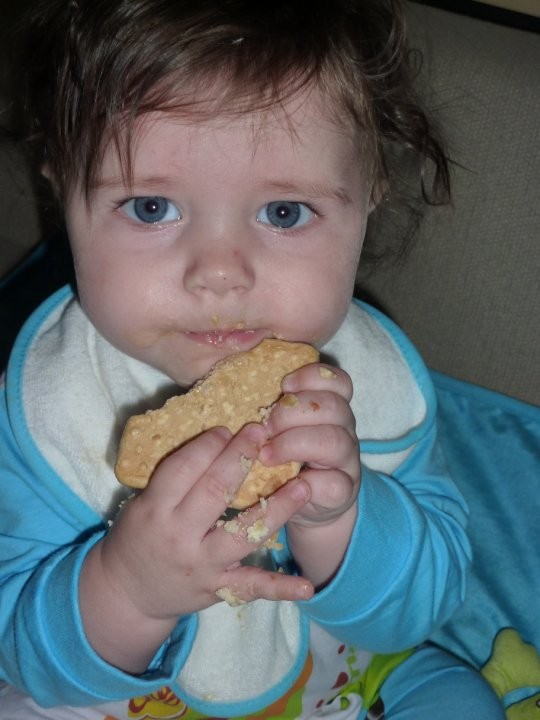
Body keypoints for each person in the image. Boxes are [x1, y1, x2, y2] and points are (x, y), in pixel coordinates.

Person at [0, 1, 505, 718]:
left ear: (368, 197)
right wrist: (128, 591)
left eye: (283, 213)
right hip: (121, 698)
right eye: (150, 208)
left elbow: (424, 607)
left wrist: (339, 522)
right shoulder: (50, 401)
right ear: (63, 189)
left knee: (458, 698)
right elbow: (22, 651)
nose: (219, 274)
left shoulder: (365, 379)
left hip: (336, 672)